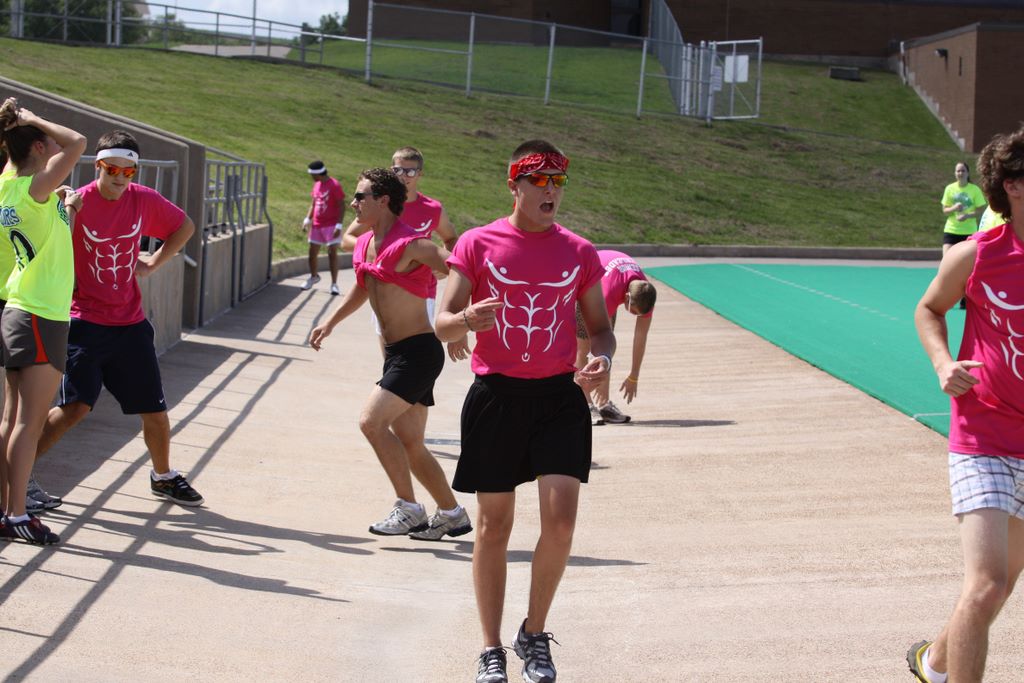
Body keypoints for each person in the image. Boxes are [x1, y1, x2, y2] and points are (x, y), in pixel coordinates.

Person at [435, 140, 615, 683]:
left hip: (560, 397)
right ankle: (490, 647)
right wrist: (466, 319)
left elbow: (600, 329)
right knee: (494, 527)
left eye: (559, 182)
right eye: (540, 181)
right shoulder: (477, 243)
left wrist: (602, 360)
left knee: (560, 523)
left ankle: (533, 634)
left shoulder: (579, 251)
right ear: (514, 185)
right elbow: (441, 323)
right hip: (496, 398)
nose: (551, 191)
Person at [29, 130, 203, 510]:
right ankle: (17, 476)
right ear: (98, 166)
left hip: (129, 323)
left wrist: (154, 263)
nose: (120, 178)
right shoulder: (76, 202)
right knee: (75, 407)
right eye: (112, 170)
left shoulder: (143, 200)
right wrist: (62, 210)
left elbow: (184, 227)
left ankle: (163, 476)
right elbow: (45, 247)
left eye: (128, 171)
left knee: (154, 411)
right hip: (83, 321)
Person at [908, 126, 1024, 683]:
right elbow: (929, 310)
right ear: (1013, 186)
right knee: (986, 585)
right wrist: (942, 364)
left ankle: (933, 663)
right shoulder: (977, 255)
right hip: (984, 437)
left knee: (998, 589)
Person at [309, 168, 471, 541]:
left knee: (371, 422)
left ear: (383, 200)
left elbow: (462, 271)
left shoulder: (414, 245)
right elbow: (364, 286)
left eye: (360, 196)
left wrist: (458, 324)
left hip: (419, 353)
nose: (353, 203)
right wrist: (330, 323)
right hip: (396, 352)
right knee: (412, 444)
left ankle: (409, 508)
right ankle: (452, 513)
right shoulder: (366, 242)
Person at [0, 98, 86, 545]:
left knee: (13, 419)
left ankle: (6, 509)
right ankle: (16, 514)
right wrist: (33, 119)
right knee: (27, 424)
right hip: (39, 314)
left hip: (25, 309)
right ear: (37, 146)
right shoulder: (35, 187)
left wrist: (67, 208)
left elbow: (48, 239)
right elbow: (79, 142)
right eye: (47, 141)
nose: (56, 145)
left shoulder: (13, 188)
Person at [341, 146, 468, 359]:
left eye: (410, 171)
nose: (404, 176)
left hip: (421, 292)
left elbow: (451, 239)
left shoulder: (433, 208)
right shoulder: (381, 204)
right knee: (390, 359)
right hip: (384, 289)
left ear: (420, 174)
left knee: (415, 357)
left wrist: (440, 263)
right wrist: (385, 253)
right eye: (398, 170)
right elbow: (347, 240)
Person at [575, 249, 657, 425]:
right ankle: (585, 404)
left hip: (611, 280)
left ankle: (604, 405)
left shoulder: (645, 292)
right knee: (584, 347)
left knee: (605, 351)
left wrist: (634, 376)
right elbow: (591, 344)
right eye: (633, 312)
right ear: (627, 298)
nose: (636, 316)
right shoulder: (606, 295)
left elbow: (640, 337)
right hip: (587, 281)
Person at [301, 160, 345, 295]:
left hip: (331, 225)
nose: (311, 177)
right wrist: (307, 219)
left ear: (318, 173)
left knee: (332, 253)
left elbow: (341, 205)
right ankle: (314, 277)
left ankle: (334, 284)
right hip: (317, 225)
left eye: (312, 175)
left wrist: (339, 225)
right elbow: (313, 204)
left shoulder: (334, 185)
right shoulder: (316, 185)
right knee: (312, 253)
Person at [940, 162, 986, 254]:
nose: (960, 173)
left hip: (969, 232)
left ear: (967, 173)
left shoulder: (975, 189)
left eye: (963, 171)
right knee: (947, 258)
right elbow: (945, 210)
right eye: (958, 171)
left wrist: (967, 216)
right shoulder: (949, 188)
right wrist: (954, 208)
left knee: (968, 261)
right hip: (951, 230)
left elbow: (981, 210)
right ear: (955, 173)